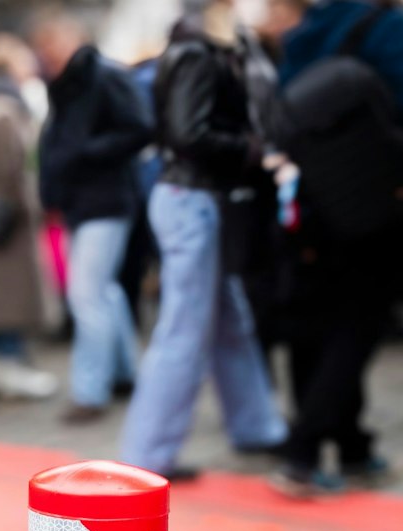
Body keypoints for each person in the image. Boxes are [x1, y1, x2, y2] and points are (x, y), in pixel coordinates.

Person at [272, 0, 403, 496]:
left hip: (317, 196)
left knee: (324, 321)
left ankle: (353, 445)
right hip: (379, 195)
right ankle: (304, 450)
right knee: (359, 325)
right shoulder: (389, 24)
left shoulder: (310, 28)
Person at [118, 0, 288, 480]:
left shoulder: (226, 42)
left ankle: (257, 426)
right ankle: (147, 456)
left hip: (203, 197)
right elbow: (188, 133)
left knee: (227, 320)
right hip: (195, 198)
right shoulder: (198, 47)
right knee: (185, 329)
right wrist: (255, 152)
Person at [33, 12, 155, 422]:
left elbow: (140, 127)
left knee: (87, 293)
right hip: (84, 200)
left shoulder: (102, 76)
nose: (47, 54)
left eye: (51, 44)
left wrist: (84, 155)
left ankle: (91, 391)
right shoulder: (69, 83)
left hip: (104, 198)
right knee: (103, 292)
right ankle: (124, 374)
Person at [0, 35, 55, 399]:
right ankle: (9, 365)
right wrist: (30, 205)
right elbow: (11, 168)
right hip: (8, 218)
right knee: (9, 296)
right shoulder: (5, 110)